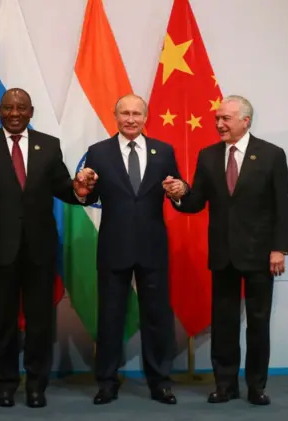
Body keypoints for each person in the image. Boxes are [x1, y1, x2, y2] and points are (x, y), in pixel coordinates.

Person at [0, 88, 95, 408]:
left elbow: (63, 187)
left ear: (31, 112)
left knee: (39, 321)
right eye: (8, 108)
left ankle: (36, 385)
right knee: (3, 321)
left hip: (39, 249)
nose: (15, 113)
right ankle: (5, 385)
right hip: (0, 248)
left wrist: (79, 189)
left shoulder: (48, 145)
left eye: (21, 108)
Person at [163, 95, 288, 406]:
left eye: (226, 119)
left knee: (258, 323)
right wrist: (179, 193)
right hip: (223, 254)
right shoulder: (207, 156)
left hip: (261, 255)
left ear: (245, 121)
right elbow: (195, 203)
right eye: (217, 118)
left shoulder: (272, 155)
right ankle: (225, 385)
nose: (219, 124)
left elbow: (282, 206)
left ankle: (256, 386)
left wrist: (279, 249)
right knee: (224, 323)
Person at [81, 94, 181, 405]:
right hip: (114, 245)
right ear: (115, 116)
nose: (131, 119)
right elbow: (88, 195)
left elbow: (177, 191)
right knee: (110, 317)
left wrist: (181, 191)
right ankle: (107, 382)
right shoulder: (98, 152)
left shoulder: (163, 151)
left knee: (157, 317)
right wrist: (83, 188)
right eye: (125, 113)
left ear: (146, 116)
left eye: (137, 113)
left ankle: (160, 382)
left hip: (152, 245)